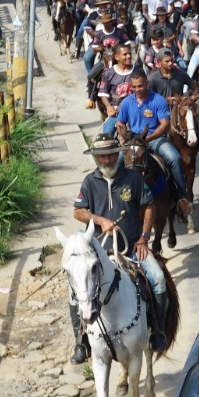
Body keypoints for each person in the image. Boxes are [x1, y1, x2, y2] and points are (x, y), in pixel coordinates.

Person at [72, 134, 170, 357]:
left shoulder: (133, 178)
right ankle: (80, 341)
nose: (107, 160)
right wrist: (100, 220)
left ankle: (157, 331)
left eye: (110, 155)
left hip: (132, 247)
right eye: (102, 156)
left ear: (117, 154)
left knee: (158, 278)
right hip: (98, 251)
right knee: (74, 290)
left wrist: (144, 237)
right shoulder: (89, 182)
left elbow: (149, 205)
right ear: (96, 158)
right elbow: (78, 211)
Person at [115, 69, 193, 216]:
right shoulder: (126, 102)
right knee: (116, 162)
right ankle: (114, 198)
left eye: (140, 86)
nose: (137, 89)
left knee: (175, 158)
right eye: (134, 87)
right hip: (134, 141)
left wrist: (148, 138)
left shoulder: (158, 100)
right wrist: (123, 133)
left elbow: (165, 124)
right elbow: (120, 122)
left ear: (147, 83)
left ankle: (181, 197)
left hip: (154, 139)